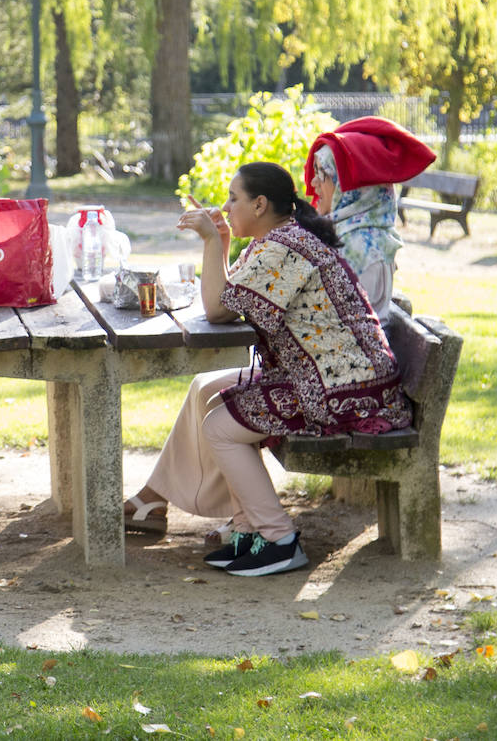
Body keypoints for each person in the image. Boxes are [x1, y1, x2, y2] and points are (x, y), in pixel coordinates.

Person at [121, 162, 412, 577]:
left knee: (220, 425)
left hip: (346, 391)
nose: (226, 206)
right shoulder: (273, 242)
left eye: (233, 199)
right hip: (329, 378)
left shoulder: (284, 248)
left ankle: (279, 539)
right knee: (213, 397)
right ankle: (248, 533)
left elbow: (217, 311)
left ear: (260, 204)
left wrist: (208, 240)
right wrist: (221, 241)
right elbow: (227, 300)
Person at [303, 117, 435, 322]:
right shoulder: (346, 233)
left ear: (356, 189)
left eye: (323, 174)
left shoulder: (364, 247)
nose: (313, 182)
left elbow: (343, 324)